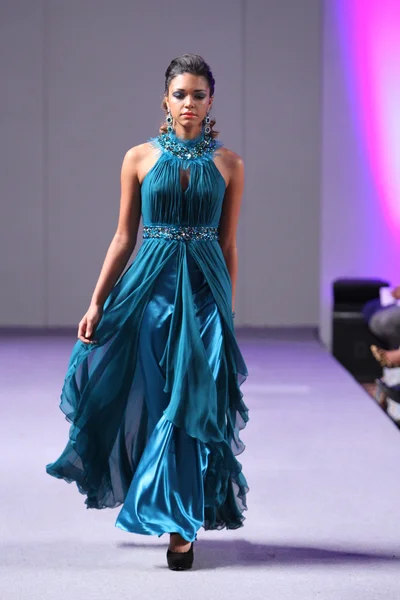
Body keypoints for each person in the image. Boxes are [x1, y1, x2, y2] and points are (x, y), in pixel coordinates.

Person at [46, 54, 249, 571]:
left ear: (210, 101)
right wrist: (96, 301)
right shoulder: (138, 158)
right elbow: (123, 237)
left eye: (199, 95)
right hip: (151, 292)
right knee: (164, 404)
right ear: (165, 99)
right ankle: (172, 509)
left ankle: (181, 527)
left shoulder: (230, 164)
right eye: (180, 94)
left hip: (204, 292)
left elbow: (228, 245)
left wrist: (226, 307)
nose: (189, 103)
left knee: (193, 403)